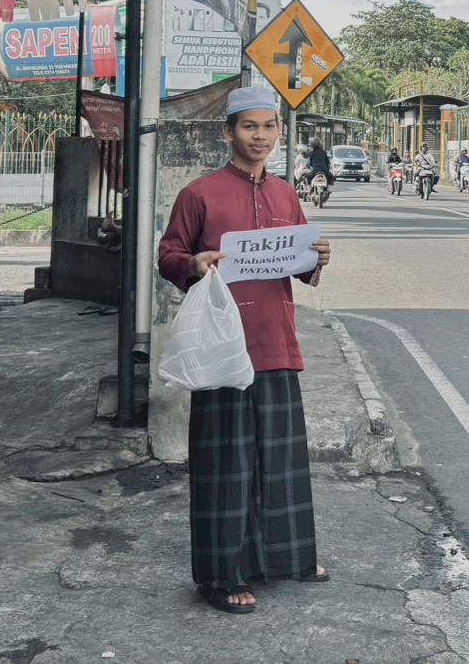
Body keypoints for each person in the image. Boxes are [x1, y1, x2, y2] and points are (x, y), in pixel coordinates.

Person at [157, 87, 334, 615]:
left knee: (280, 461)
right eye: (249, 126)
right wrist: (194, 264)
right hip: (222, 349)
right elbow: (169, 255)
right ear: (228, 131)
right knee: (227, 465)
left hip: (275, 342)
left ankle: (288, 558)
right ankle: (221, 574)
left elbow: (299, 268)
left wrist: (317, 258)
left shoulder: (285, 195)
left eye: (268, 126)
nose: (260, 136)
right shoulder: (200, 194)